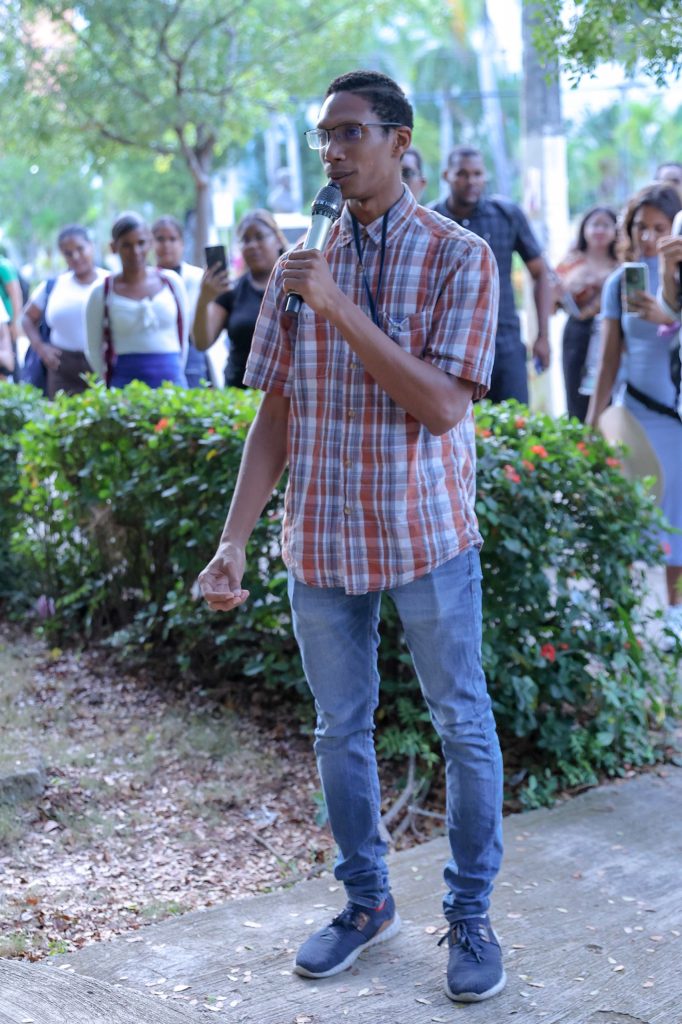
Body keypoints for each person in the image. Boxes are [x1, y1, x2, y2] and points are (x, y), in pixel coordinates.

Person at [198, 70, 505, 1004]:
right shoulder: (300, 265)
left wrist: (341, 308)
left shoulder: (459, 256)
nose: (332, 151)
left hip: (425, 537)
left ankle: (472, 915)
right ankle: (367, 903)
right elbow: (277, 411)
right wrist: (234, 539)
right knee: (340, 729)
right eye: (323, 136)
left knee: (461, 722)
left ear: (399, 142)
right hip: (322, 540)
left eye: (350, 133)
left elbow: (443, 407)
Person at [586, 184, 682, 636]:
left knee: (678, 517)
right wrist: (592, 423)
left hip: (675, 417)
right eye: (640, 226)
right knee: (625, 515)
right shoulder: (619, 283)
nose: (647, 237)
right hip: (633, 415)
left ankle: (675, 614)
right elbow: (608, 361)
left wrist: (670, 318)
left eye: (659, 228)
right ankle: (620, 616)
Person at [429, 145, 551, 404]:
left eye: (477, 174)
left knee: (516, 423)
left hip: (504, 344)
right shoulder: (431, 220)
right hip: (450, 348)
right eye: (462, 174)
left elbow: (541, 273)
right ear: (447, 176)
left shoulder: (506, 215)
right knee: (458, 425)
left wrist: (543, 336)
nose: (471, 181)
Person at [85, 212, 188, 389]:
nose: (135, 252)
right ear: (113, 247)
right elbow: (93, 348)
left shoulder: (171, 282)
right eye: (126, 245)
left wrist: (176, 371)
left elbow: (183, 338)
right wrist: (108, 381)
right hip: (125, 384)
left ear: (150, 243)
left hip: (173, 383)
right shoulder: (102, 291)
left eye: (141, 243)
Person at [192, 210, 287, 389]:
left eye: (259, 237)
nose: (252, 245)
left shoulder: (296, 286)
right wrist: (204, 300)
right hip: (239, 396)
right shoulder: (231, 291)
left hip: (285, 393)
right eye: (245, 240)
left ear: (278, 240)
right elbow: (202, 342)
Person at [22, 225, 107, 398]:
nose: (76, 257)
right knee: (62, 413)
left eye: (80, 249)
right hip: (62, 369)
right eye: (68, 253)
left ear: (91, 246)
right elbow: (27, 318)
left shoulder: (110, 282)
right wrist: (41, 348)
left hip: (103, 366)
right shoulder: (53, 286)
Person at [553, 207, 619, 421]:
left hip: (613, 331)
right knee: (575, 393)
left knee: (611, 394)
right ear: (584, 229)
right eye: (594, 224)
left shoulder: (622, 262)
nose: (600, 230)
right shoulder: (570, 262)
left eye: (606, 225)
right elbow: (554, 303)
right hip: (578, 333)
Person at [152, 215, 209, 388]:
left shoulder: (198, 277)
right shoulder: (146, 280)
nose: (166, 245)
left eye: (172, 239)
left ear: (182, 243)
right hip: (158, 353)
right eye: (160, 239)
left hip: (193, 352)